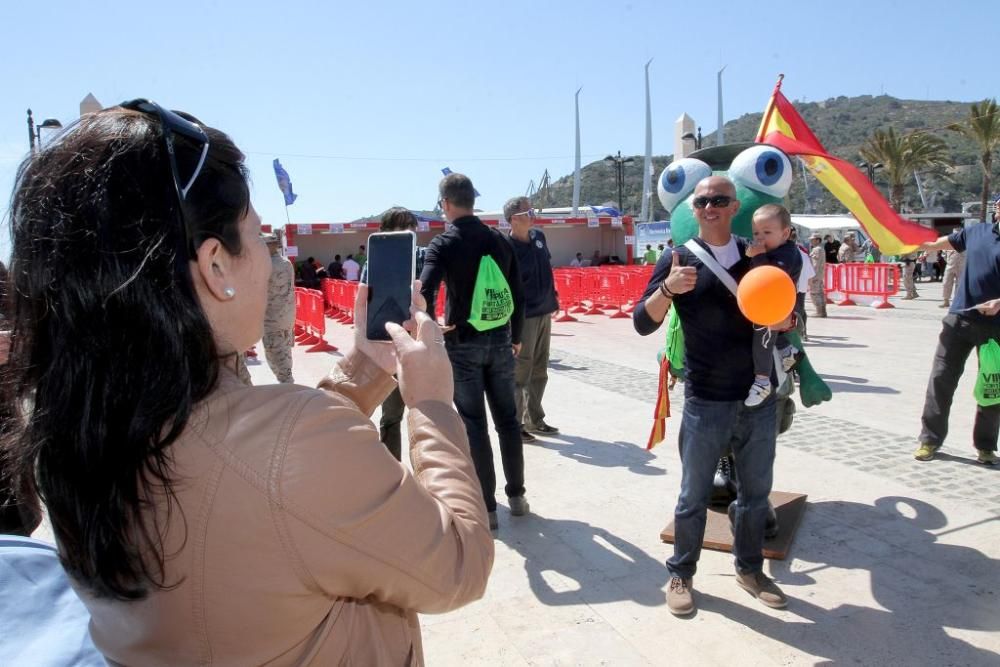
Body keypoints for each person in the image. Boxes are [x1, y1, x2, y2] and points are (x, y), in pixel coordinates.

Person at [2, 101, 493, 664]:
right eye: (258, 237)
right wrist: (430, 403)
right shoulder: (290, 445)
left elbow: (259, 470)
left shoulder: (71, 432)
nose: (266, 256)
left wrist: (362, 369)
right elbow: (460, 563)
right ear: (215, 267)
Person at [632, 175, 787, 615]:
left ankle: (750, 569)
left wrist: (786, 319)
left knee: (756, 494)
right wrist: (667, 289)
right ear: (692, 209)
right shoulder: (677, 258)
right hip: (706, 400)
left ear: (735, 205)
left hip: (757, 397)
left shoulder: (756, 255)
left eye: (719, 200)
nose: (710, 207)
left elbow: (782, 306)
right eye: (702, 201)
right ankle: (681, 573)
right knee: (692, 496)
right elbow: (642, 323)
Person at [420, 173, 528, 531]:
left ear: (446, 204)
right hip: (500, 340)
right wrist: (517, 336)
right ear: (472, 201)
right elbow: (517, 291)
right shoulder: (499, 240)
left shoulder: (442, 244)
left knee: (475, 425)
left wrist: (435, 324)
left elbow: (426, 290)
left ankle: (488, 508)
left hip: (462, 343)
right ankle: (517, 496)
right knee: (508, 421)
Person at [914, 212, 999, 466]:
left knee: (992, 386)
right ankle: (930, 440)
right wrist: (911, 241)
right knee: (941, 379)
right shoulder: (975, 232)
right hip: (959, 320)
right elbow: (937, 244)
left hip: (996, 327)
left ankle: (985, 446)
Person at [366, 207, 427, 460]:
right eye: (402, 227)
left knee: (424, 416)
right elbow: (367, 302)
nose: (408, 233)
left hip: (418, 344)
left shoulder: (423, 258)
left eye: (411, 227)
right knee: (391, 416)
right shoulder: (373, 263)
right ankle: (394, 473)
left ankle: (425, 474)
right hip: (387, 345)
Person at [505, 196, 559, 443]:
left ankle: (535, 420)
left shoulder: (539, 238)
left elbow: (546, 268)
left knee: (540, 369)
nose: (532, 216)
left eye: (532, 211)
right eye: (527, 213)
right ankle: (515, 425)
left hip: (545, 311)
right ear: (514, 219)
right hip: (523, 317)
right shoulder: (506, 248)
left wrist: (553, 295)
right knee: (520, 373)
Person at [744, 205, 802, 406]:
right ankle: (788, 352)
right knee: (770, 335)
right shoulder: (774, 250)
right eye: (756, 233)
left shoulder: (788, 253)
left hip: (775, 307)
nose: (760, 238)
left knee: (762, 342)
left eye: (767, 233)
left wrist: (757, 255)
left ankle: (762, 381)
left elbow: (767, 278)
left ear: (785, 233)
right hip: (767, 305)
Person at [261, 233, 296, 383]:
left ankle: (290, 393)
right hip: (286, 318)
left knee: (276, 357)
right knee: (285, 354)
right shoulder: (286, 263)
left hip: (272, 321)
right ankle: (288, 387)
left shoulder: (266, 266)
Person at [808, 233, 828, 318]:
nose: (811, 241)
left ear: (817, 240)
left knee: (815, 293)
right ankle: (822, 311)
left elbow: (815, 265)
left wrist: (812, 276)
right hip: (819, 275)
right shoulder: (820, 249)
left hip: (815, 275)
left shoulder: (816, 249)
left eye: (812, 240)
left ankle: (819, 312)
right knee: (820, 293)